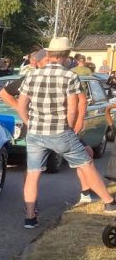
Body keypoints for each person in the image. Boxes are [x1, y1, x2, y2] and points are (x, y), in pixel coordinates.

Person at [16, 37, 116, 228]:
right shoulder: (70, 77)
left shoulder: (32, 75)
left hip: (35, 132)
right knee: (86, 164)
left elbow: (21, 106)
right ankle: (109, 202)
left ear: (50, 54)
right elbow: (72, 108)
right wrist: (69, 127)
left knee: (33, 173)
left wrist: (30, 122)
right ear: (66, 56)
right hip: (60, 131)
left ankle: (30, 217)